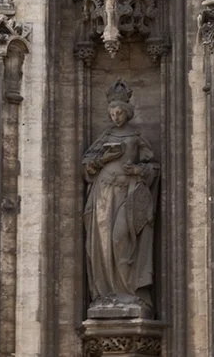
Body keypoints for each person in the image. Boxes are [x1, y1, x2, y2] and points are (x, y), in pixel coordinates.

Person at [82, 82, 159, 319]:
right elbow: (87, 164)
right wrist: (104, 158)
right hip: (103, 195)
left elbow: (153, 167)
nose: (116, 117)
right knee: (103, 244)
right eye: (112, 113)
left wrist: (137, 171)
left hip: (127, 193)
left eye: (119, 113)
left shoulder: (136, 138)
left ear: (126, 112)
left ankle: (129, 291)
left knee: (121, 238)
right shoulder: (104, 137)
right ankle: (106, 294)